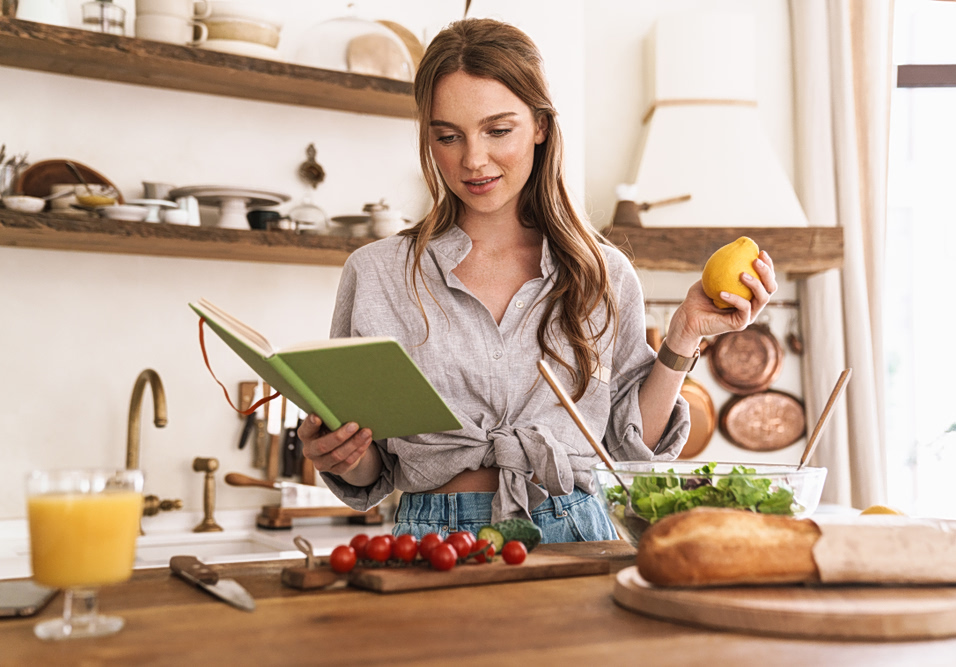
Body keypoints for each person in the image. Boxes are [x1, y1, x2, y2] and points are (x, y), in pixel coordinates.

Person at [298, 18, 777, 543]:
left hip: (575, 529)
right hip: (431, 538)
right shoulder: (377, 273)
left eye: (498, 130)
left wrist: (684, 335)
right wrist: (342, 455)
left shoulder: (605, 273)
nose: (473, 160)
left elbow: (624, 448)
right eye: (448, 136)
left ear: (541, 126)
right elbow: (374, 469)